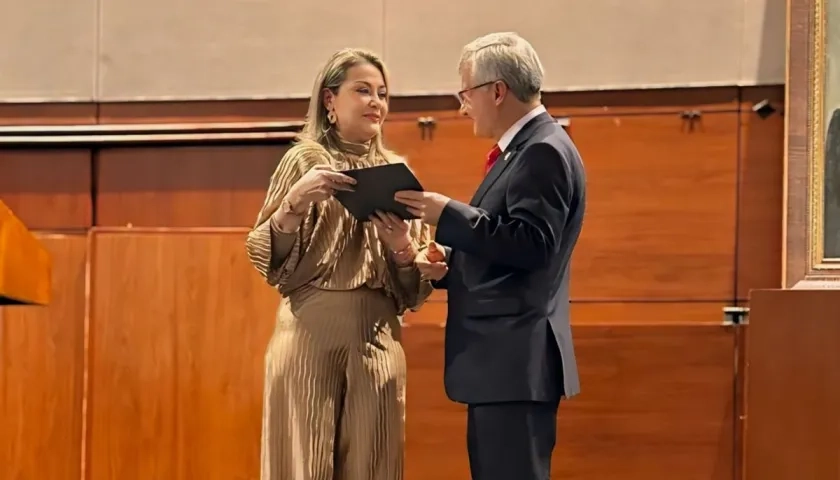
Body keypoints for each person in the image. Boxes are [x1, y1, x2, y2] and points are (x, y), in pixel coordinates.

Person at [397, 32, 587, 480]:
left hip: (515, 362)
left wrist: (449, 214)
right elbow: (507, 247)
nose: (462, 108)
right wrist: (448, 261)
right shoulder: (527, 149)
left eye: (465, 94)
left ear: (497, 91)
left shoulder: (542, 150)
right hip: (505, 366)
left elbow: (532, 245)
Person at [245, 48, 435, 480]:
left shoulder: (396, 170)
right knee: (304, 464)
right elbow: (264, 256)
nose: (376, 103)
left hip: (378, 337)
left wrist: (402, 247)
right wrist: (295, 203)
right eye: (363, 91)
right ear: (330, 100)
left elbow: (413, 290)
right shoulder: (304, 161)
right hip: (310, 335)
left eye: (383, 94)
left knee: (374, 464)